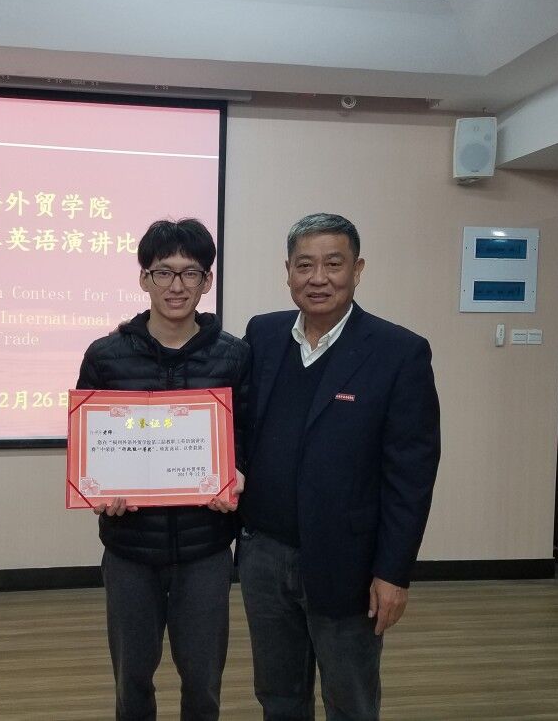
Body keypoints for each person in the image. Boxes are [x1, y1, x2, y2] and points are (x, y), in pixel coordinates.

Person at [238, 213, 440, 720]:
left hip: (349, 563)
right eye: (304, 265)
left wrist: (393, 572)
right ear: (288, 271)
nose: (318, 278)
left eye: (333, 264)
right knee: (278, 697)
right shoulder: (263, 335)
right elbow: (239, 429)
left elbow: (411, 477)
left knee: (350, 700)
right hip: (264, 555)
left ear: (357, 269)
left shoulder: (399, 352)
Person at [75, 218, 249, 721]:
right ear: (143, 278)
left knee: (203, 683)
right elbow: (89, 446)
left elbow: (249, 438)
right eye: (163, 272)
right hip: (130, 548)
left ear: (207, 281)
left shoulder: (234, 355)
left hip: (205, 549)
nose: (177, 285)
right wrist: (100, 491)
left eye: (190, 273)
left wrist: (238, 476)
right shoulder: (105, 356)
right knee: (131, 680)